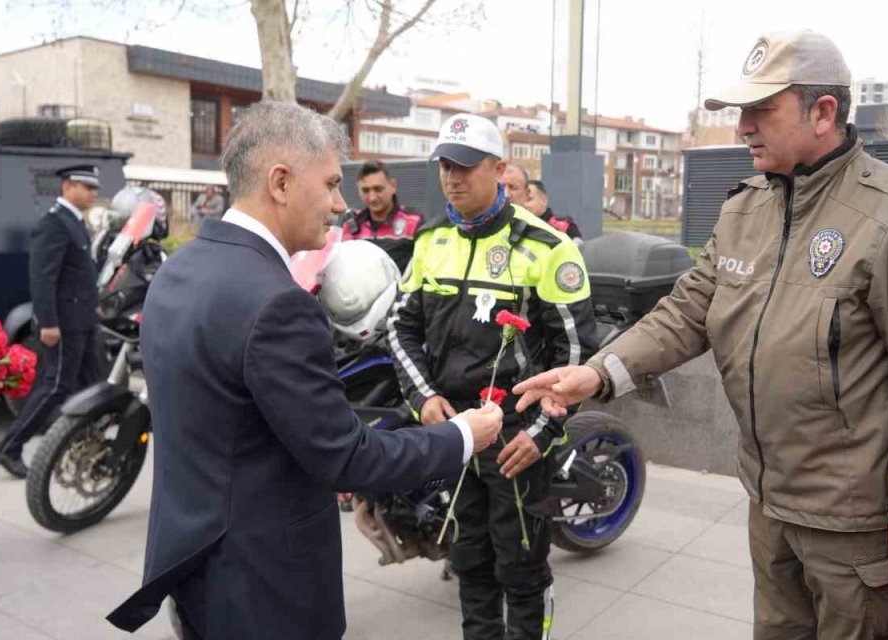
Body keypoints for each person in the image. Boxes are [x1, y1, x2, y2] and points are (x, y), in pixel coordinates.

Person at [514, 30, 888, 640]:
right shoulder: (747, 208)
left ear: (824, 112)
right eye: (741, 111)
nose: (742, 127)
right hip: (769, 506)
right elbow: (687, 312)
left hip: (859, 530)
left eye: (760, 110)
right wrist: (599, 373)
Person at [106, 102, 504, 640]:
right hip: (266, 585)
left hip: (194, 563)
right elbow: (346, 457)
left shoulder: (181, 269)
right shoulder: (277, 304)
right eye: (333, 183)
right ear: (281, 182)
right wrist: (463, 435)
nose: (342, 204)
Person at [389, 113, 598, 639]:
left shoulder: (550, 247)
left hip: (516, 439)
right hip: (455, 432)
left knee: (522, 568)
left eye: (464, 166)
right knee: (469, 562)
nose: (451, 178)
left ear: (499, 168)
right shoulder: (431, 239)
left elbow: (577, 359)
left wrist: (542, 433)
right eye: (444, 166)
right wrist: (424, 398)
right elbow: (400, 329)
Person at [0, 164, 105, 478]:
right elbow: (42, 278)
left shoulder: (75, 223)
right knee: (56, 386)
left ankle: (89, 445)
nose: (93, 193)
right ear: (67, 187)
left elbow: (79, 275)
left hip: (83, 321)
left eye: (94, 187)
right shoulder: (54, 223)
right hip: (64, 324)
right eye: (86, 186)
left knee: (94, 386)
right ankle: (8, 447)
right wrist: (48, 322)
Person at [341, 160, 424, 273]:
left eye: (378, 189)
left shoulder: (414, 222)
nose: (372, 198)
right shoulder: (349, 225)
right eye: (365, 190)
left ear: (393, 186)